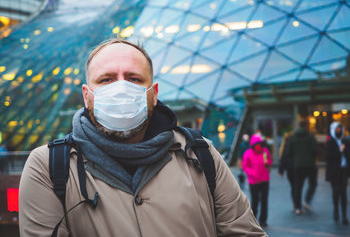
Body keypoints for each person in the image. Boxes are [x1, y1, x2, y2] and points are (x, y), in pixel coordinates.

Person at [19, 38, 266, 236]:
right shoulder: (49, 167)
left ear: (154, 93)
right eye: (106, 80)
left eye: (134, 78)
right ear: (87, 95)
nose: (121, 88)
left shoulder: (200, 153)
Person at [284, 120, 318, 214]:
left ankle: (298, 207)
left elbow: (288, 152)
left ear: (299, 126)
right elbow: (315, 150)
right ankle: (307, 200)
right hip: (310, 164)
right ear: (307, 126)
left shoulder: (293, 137)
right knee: (313, 183)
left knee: (298, 186)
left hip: (298, 165)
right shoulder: (311, 136)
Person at [242, 134, 272, 227]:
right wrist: (252, 173)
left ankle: (263, 220)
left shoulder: (265, 151)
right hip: (254, 181)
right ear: (253, 145)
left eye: (259, 144)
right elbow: (245, 166)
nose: (258, 146)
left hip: (264, 180)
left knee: (264, 201)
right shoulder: (248, 153)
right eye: (256, 145)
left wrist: (268, 163)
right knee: (254, 201)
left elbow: (270, 161)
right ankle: (253, 221)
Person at [325, 122, 350, 225]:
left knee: (343, 193)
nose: (339, 131)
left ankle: (344, 215)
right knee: (336, 192)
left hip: (343, 170)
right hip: (334, 172)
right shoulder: (330, 142)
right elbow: (328, 157)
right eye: (337, 129)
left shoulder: (345, 141)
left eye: (340, 129)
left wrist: (345, 150)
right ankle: (336, 209)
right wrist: (339, 151)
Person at [278, 131, 296, 210]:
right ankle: (296, 203)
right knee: (297, 187)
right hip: (295, 168)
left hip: (290, 170)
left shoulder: (284, 146)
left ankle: (295, 203)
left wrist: (281, 170)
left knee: (293, 187)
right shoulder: (292, 145)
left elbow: (282, 160)